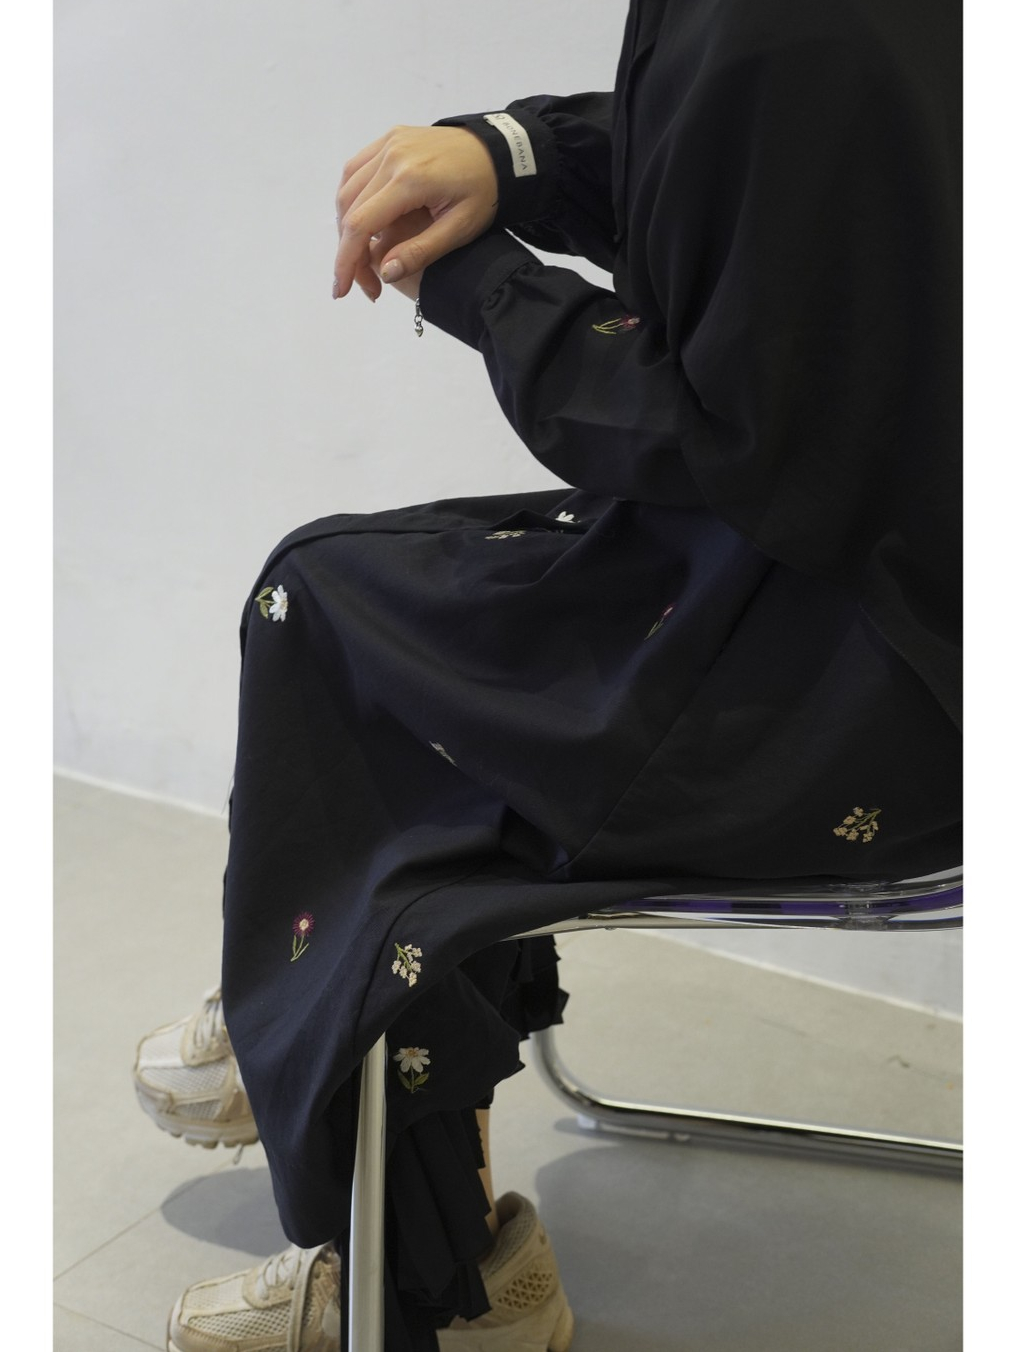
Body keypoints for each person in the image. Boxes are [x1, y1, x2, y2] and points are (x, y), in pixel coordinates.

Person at [133, 1, 962, 1348]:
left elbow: (714, 431)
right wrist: (509, 152)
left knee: (335, 619)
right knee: (391, 610)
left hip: (862, 688)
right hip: (890, 583)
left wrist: (477, 284)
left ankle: (420, 1263)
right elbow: (757, 195)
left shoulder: (797, 28)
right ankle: (327, 1035)